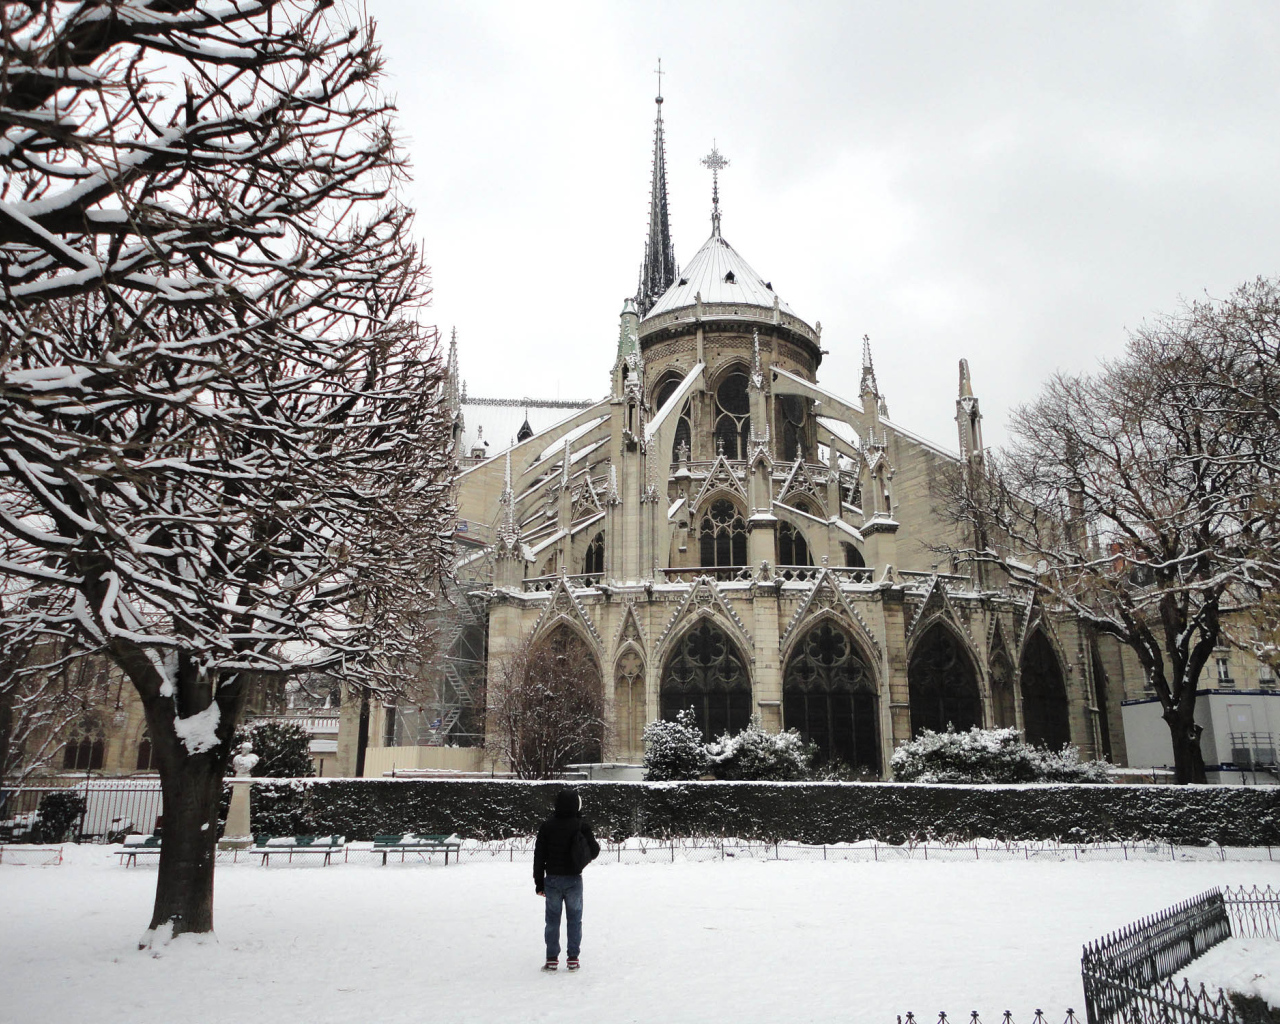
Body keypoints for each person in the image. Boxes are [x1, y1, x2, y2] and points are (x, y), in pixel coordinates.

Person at [533, 788, 600, 972]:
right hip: (574, 879)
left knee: (552, 920)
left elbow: (539, 856)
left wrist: (539, 882)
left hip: (552, 880)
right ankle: (573, 958)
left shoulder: (547, 826)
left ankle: (552, 958)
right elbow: (595, 850)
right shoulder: (581, 825)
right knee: (575, 919)